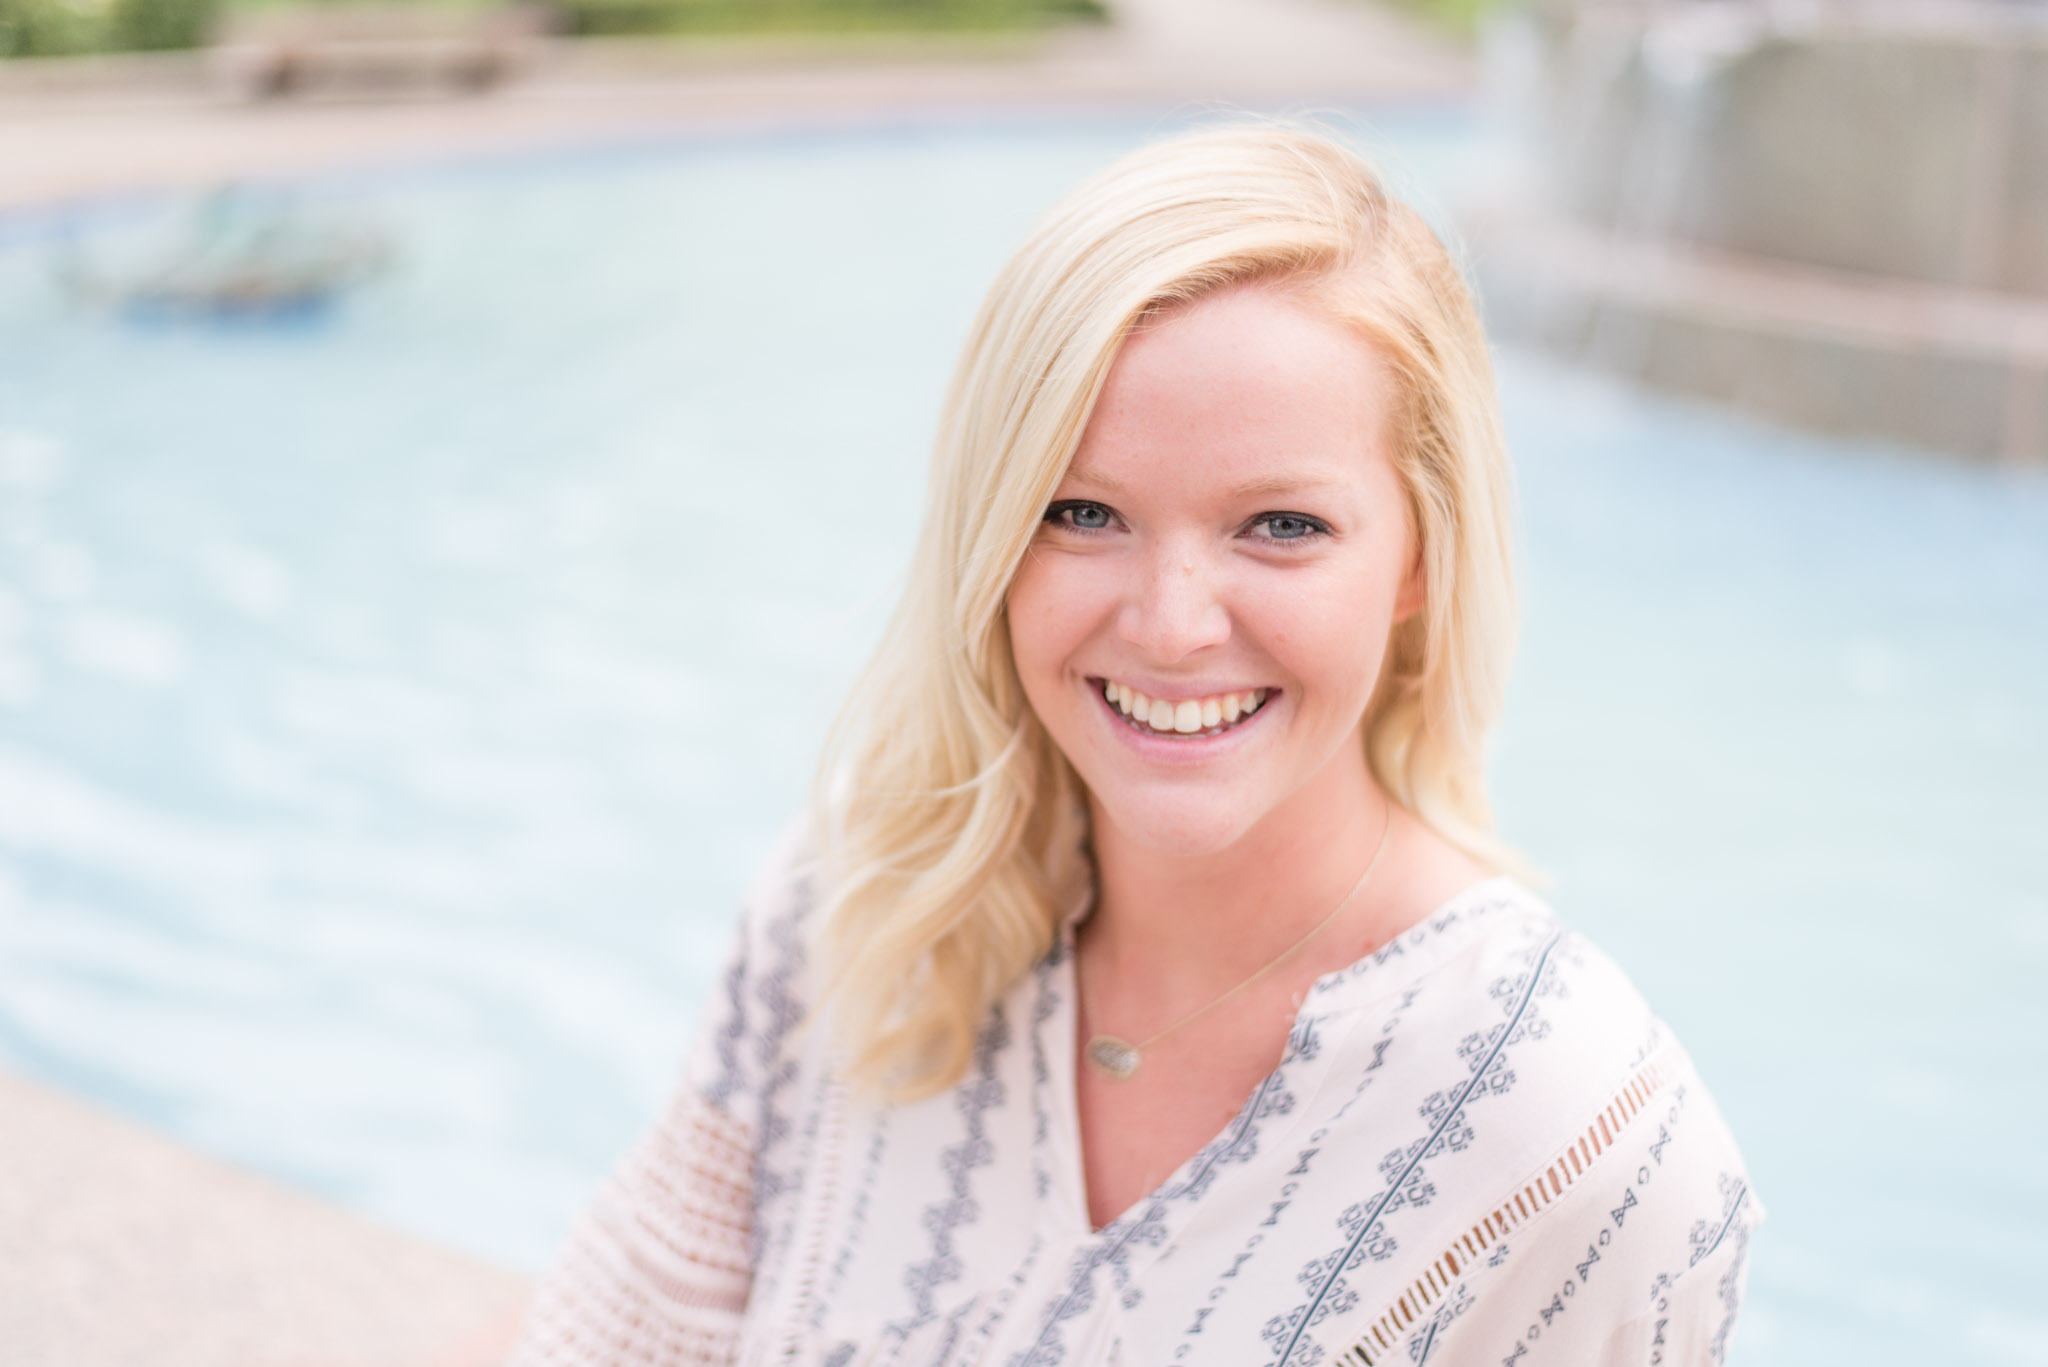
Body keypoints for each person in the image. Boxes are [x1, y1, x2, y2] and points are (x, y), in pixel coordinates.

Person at [504, 123, 1762, 1367]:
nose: (1167, 626)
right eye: (1080, 511)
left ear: (1420, 557)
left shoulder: (1579, 1141)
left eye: (1278, 524)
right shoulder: (860, 894)